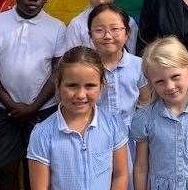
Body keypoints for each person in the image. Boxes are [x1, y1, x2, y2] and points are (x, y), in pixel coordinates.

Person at [0, 0, 66, 190]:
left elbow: (58, 72)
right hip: (3, 109)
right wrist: (8, 102)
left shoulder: (56, 27)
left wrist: (33, 106)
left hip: (44, 110)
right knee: (6, 166)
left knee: (37, 167)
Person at [27, 46, 129, 190]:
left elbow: (120, 175)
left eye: (90, 86)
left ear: (102, 86)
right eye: (72, 85)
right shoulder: (42, 134)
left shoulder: (113, 124)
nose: (81, 95)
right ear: (58, 85)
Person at [131, 36, 188, 190]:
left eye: (175, 77)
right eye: (160, 81)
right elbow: (141, 166)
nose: (169, 86)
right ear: (150, 82)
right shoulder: (145, 118)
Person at [88, 3, 151, 187]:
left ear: (127, 33)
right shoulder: (86, 67)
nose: (108, 36)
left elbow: (145, 104)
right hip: (95, 137)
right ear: (90, 35)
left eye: (115, 29)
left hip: (131, 137)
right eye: (99, 30)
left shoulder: (139, 66)